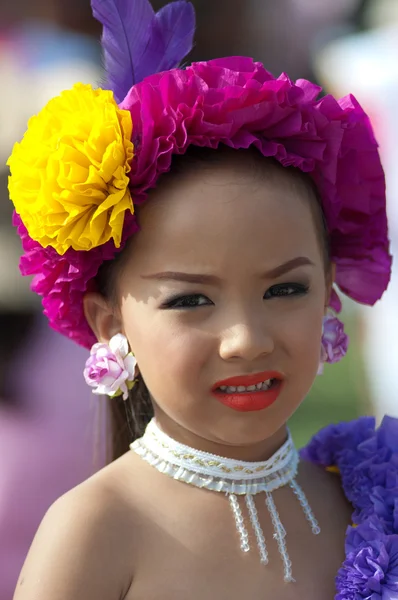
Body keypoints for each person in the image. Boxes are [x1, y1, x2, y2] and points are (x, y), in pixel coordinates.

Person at [8, 0, 397, 598]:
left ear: (328, 295)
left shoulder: (370, 501)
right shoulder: (97, 532)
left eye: (286, 288)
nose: (248, 339)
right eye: (191, 300)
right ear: (110, 322)